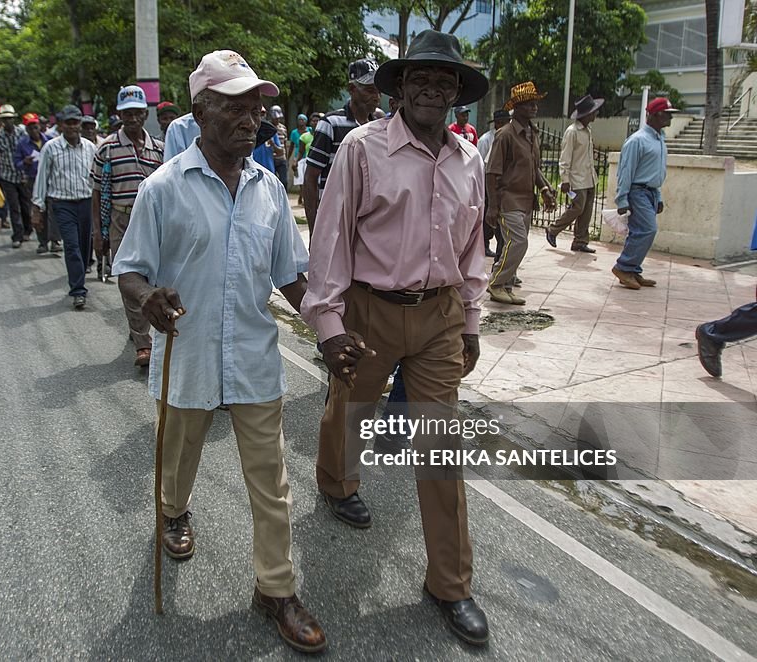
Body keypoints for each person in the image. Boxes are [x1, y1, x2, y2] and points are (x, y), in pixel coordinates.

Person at [112, 49, 326, 654]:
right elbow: (129, 270)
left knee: (272, 481)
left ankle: (276, 590)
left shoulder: (268, 190)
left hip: (255, 358)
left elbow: (292, 277)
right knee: (178, 459)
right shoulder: (163, 188)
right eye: (234, 104)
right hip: (189, 355)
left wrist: (329, 329)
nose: (251, 116)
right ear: (200, 110)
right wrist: (148, 297)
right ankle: (174, 512)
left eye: (255, 104)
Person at [302, 28, 490, 648]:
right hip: (370, 309)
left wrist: (469, 323)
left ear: (457, 93)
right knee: (350, 411)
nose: (432, 88)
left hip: (437, 316)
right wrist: (328, 325)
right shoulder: (362, 149)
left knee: (441, 448)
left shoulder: (469, 161)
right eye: (421, 78)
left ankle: (451, 584)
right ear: (401, 88)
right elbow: (329, 240)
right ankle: (336, 481)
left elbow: (472, 251)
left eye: (444, 80)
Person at [91, 85, 164, 367]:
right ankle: (142, 343)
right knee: (130, 280)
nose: (132, 119)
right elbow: (96, 192)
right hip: (121, 219)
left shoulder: (158, 148)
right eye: (126, 114)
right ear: (119, 115)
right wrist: (98, 232)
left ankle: (149, 330)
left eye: (136, 113)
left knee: (155, 277)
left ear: (145, 114)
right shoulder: (107, 148)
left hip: (152, 221)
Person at [485, 82, 557, 305]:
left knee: (513, 244)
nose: (534, 107)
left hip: (526, 201)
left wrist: (545, 189)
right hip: (508, 200)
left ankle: (505, 286)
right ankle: (496, 283)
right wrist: (493, 206)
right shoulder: (505, 135)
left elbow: (533, 168)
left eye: (535, 102)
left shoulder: (532, 134)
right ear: (516, 107)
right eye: (528, 103)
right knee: (519, 242)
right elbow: (491, 172)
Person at [303, 58, 381, 235]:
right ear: (352, 89)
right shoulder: (330, 124)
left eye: (378, 91)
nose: (376, 97)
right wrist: (315, 230)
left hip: (366, 223)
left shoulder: (378, 127)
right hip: (334, 221)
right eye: (369, 90)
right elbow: (310, 178)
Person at [32, 105, 96, 309]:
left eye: (75, 122)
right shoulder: (51, 148)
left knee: (86, 247)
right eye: (68, 123)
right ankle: (78, 290)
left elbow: (95, 177)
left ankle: (81, 273)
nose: (72, 127)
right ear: (60, 125)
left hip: (86, 202)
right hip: (62, 203)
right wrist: (38, 207)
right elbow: (42, 177)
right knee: (71, 246)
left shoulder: (90, 147)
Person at [612, 97, 678, 289]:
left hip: (650, 192)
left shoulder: (659, 139)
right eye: (667, 114)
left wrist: (658, 196)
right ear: (656, 115)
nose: (670, 119)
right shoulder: (637, 141)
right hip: (637, 191)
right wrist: (622, 198)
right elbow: (626, 171)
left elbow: (656, 171)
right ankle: (623, 267)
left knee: (641, 232)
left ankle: (632, 269)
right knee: (647, 230)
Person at [545, 94, 603, 254]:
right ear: (586, 114)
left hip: (589, 177)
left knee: (587, 210)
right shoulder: (572, 132)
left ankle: (580, 240)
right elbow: (565, 158)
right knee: (577, 208)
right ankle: (553, 229)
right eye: (593, 112)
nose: (595, 114)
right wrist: (565, 180)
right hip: (576, 179)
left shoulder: (587, 131)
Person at [15, 113, 62, 255]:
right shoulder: (22, 144)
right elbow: (16, 163)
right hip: (33, 181)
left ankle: (55, 241)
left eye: (36, 126)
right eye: (30, 127)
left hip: (51, 181)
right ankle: (42, 242)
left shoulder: (50, 141)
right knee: (38, 210)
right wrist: (25, 162)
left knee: (54, 211)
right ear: (27, 130)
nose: (34, 130)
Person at [0, 104, 31, 248]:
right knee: (13, 207)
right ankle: (17, 235)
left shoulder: (22, 132)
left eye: (10, 118)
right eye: (5, 119)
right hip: (7, 175)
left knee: (25, 205)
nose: (8, 121)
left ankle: (28, 229)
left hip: (22, 174)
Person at [477, 109, 510, 258]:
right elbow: (480, 164)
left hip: (502, 187)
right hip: (487, 183)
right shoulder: (486, 140)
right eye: (504, 122)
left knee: (500, 225)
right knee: (487, 218)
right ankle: (484, 245)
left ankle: (499, 251)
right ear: (497, 123)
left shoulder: (507, 137)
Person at [269, 104, 289, 188]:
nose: (277, 119)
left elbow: (284, 144)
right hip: (271, 158)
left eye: (278, 118)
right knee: (271, 182)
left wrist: (286, 159)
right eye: (275, 118)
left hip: (281, 159)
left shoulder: (283, 128)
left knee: (284, 181)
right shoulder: (268, 127)